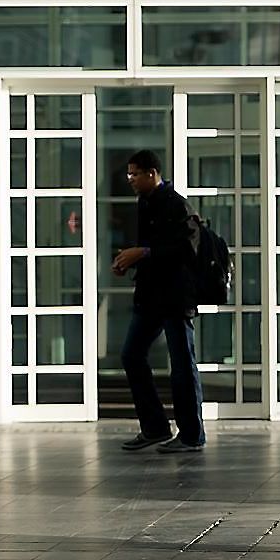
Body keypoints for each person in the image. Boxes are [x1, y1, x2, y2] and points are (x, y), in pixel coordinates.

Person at [113, 149, 205, 453]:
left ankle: (191, 435)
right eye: (129, 174)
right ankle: (155, 428)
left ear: (152, 173)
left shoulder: (177, 204)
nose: (130, 180)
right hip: (151, 296)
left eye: (135, 174)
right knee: (131, 354)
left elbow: (185, 249)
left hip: (175, 297)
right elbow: (150, 248)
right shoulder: (145, 203)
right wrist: (130, 260)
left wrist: (145, 253)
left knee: (181, 364)